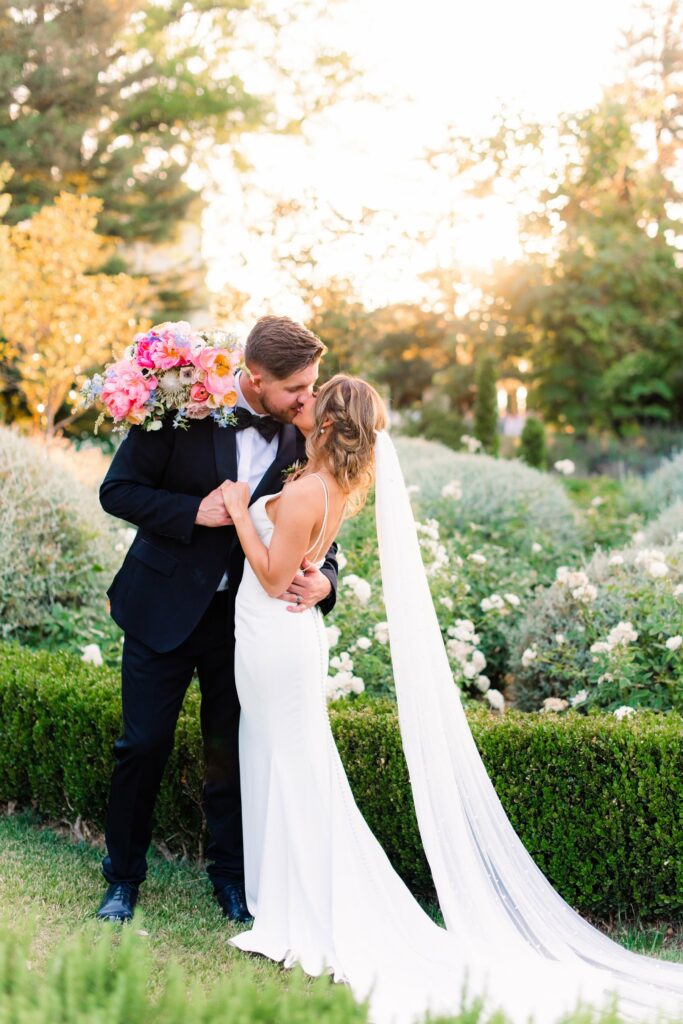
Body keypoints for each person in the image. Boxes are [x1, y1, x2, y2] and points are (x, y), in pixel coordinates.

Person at [220, 374, 683, 1024]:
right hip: (284, 640)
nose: (303, 406)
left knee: (290, 766)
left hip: (274, 637)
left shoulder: (302, 492)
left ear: (326, 425)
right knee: (288, 763)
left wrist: (241, 512)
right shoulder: (334, 486)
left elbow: (272, 579)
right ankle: (287, 895)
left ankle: (299, 906)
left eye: (312, 404)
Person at [95, 316, 338, 925]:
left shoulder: (303, 434)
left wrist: (326, 578)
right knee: (141, 746)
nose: (310, 399)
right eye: (297, 390)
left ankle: (231, 879)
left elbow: (324, 515)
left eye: (313, 385)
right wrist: (190, 512)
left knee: (230, 753)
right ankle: (122, 879)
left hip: (247, 625)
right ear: (255, 379)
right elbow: (117, 490)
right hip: (162, 609)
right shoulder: (183, 408)